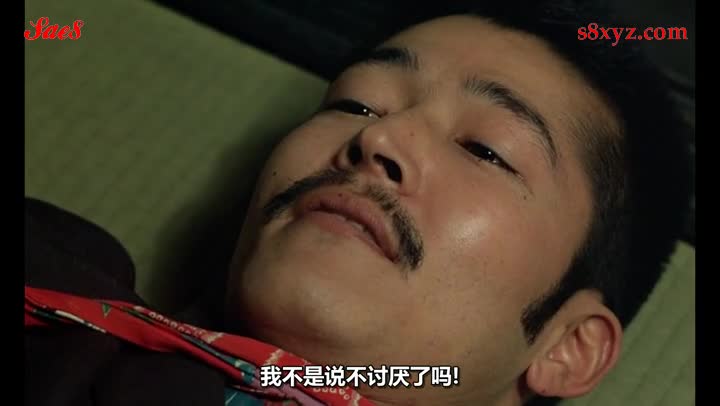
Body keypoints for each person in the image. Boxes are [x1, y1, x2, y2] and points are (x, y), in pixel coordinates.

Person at [25, 1, 692, 405]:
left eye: (485, 149)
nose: (378, 137)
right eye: (355, 104)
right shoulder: (57, 272)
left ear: (569, 348)